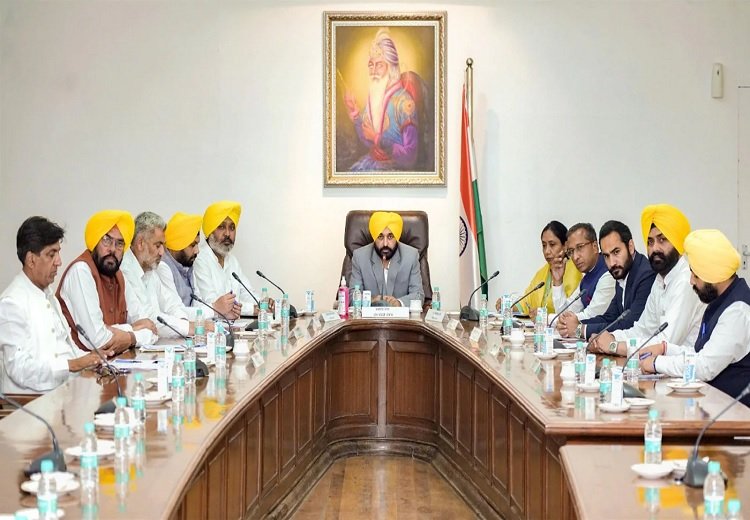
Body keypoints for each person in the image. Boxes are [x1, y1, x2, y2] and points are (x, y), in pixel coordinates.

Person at [0, 217, 112, 393]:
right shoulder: (12, 302)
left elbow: (68, 350)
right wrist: (72, 365)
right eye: (51, 255)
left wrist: (95, 360)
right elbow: (19, 369)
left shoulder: (48, 294)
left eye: (58, 253)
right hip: (32, 402)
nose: (59, 261)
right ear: (31, 260)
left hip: (65, 391)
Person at [638, 230, 750, 405]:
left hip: (733, 412)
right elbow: (700, 353)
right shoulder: (719, 300)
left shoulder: (737, 311)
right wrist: (665, 349)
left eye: (695, 275)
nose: (691, 281)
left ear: (712, 274)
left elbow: (705, 367)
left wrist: (656, 363)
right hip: (711, 404)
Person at [587, 204, 705, 355]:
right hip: (658, 365)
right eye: (650, 242)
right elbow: (642, 330)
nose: (655, 248)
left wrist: (613, 346)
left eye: (662, 240)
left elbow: (665, 343)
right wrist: (609, 337)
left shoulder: (686, 282)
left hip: (685, 367)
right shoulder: (659, 280)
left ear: (677, 242)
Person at [57, 210, 157, 353]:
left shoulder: (119, 276)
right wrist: (132, 332)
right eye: (106, 240)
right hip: (82, 364)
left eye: (119, 244)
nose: (112, 249)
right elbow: (97, 340)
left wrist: (127, 334)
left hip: (116, 363)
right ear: (95, 241)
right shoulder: (81, 271)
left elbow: (151, 328)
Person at [559, 220, 656, 340]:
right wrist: (574, 325)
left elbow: (630, 324)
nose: (612, 262)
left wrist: (580, 329)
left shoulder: (645, 275)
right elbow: (609, 318)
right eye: (606, 256)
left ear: (630, 247)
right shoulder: (621, 272)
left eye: (616, 252)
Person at [343, 28, 419, 172]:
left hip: (394, 170)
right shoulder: (374, 98)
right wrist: (356, 114)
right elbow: (367, 141)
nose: (373, 71)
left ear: (391, 68)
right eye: (371, 65)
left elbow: (409, 157)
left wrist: (377, 138)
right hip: (371, 163)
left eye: (379, 65)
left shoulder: (404, 103)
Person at [121, 212, 198, 339]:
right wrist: (188, 328)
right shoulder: (125, 271)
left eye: (163, 245)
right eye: (158, 245)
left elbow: (171, 305)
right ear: (140, 243)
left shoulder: (150, 270)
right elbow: (147, 321)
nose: (162, 252)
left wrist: (186, 323)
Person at [193, 200, 264, 318]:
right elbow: (216, 304)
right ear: (210, 231)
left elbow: (247, 293)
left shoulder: (232, 260)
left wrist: (263, 304)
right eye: (221, 227)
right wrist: (252, 309)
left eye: (232, 228)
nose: (227, 233)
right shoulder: (200, 259)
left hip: (232, 324)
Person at [502, 221, 581, 317]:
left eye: (552, 244)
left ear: (565, 246)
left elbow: (570, 312)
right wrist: (508, 306)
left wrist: (543, 315)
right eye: (544, 245)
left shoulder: (575, 272)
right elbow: (526, 302)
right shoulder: (542, 272)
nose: (547, 251)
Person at [349, 211, 423, 307]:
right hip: (371, 316)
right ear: (374, 237)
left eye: (390, 237)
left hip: (400, 316)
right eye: (380, 237)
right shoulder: (360, 257)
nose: (385, 243)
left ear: (397, 238)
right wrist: (371, 300)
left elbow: (418, 295)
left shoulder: (411, 256)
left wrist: (399, 303)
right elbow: (352, 296)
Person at [552, 223, 615, 325]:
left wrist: (549, 318)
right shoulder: (587, 276)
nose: (575, 257)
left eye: (580, 247)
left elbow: (592, 315)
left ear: (595, 247)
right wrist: (558, 281)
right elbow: (566, 312)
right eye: (571, 251)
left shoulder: (609, 273)